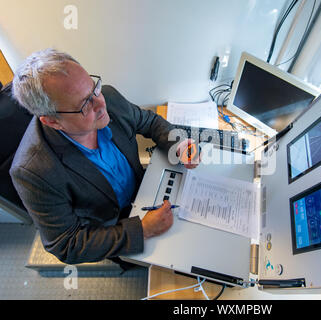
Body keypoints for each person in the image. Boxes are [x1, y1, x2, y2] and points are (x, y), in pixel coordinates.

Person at [10, 48, 198, 266]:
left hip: (148, 191)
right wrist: (142, 230)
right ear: (53, 121)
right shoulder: (33, 171)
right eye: (83, 105)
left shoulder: (107, 96)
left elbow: (149, 122)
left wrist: (180, 145)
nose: (100, 103)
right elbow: (66, 244)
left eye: (94, 89)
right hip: (114, 230)